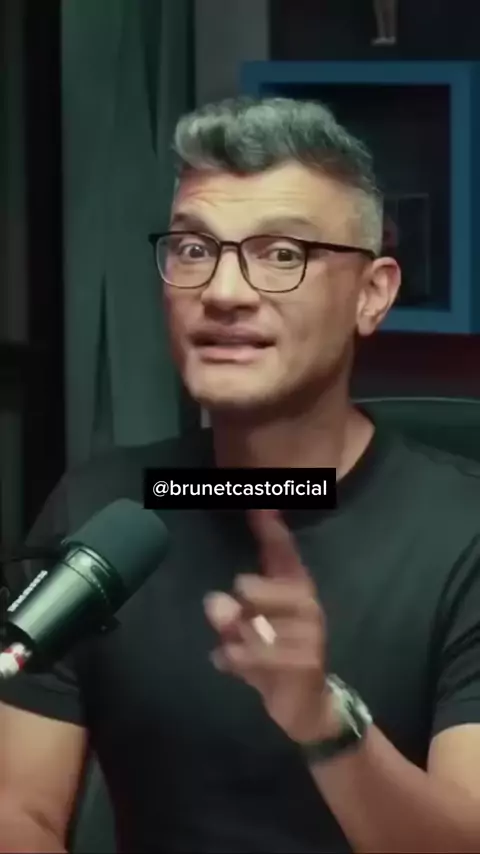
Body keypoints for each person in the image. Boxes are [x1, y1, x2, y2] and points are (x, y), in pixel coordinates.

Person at [1, 96, 480, 854]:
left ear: (372, 294)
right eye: (195, 249)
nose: (223, 292)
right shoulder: (105, 510)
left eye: (282, 254)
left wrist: (324, 721)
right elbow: (18, 809)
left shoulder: (465, 534)